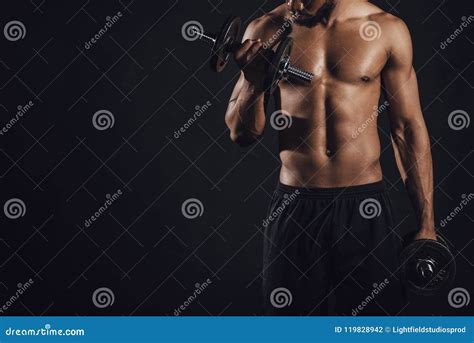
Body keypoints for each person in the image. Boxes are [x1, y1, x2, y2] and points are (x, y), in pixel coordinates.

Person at [225, 0, 436, 315]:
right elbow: (242, 134)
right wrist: (254, 83)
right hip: (295, 208)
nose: (294, 3)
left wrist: (427, 225)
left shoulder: (386, 30)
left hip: (364, 210)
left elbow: (407, 130)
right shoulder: (267, 29)